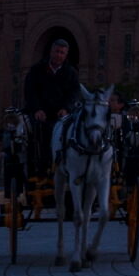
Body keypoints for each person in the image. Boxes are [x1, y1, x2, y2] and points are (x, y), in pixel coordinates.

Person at [23, 38, 82, 179]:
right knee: (37, 131)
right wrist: (37, 109)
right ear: (51, 51)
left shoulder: (71, 72)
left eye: (62, 53)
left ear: (66, 55)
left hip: (62, 114)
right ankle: (40, 167)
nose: (59, 55)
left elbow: (74, 93)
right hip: (41, 113)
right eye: (57, 51)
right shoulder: (37, 70)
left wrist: (66, 108)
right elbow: (30, 91)